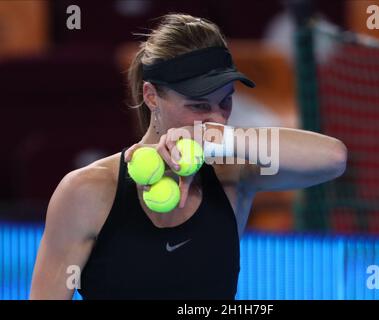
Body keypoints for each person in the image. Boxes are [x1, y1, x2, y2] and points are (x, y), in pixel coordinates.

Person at [30, 13, 347, 300]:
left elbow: (333, 157)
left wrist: (221, 138)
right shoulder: (87, 191)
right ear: (151, 96)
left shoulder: (232, 173)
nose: (218, 119)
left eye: (225, 102)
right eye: (198, 106)